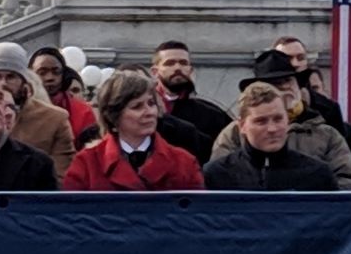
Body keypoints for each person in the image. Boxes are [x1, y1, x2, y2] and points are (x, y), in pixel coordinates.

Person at [208, 51, 351, 189]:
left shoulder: (326, 139)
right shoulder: (232, 136)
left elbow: (344, 185)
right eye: (275, 83)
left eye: (288, 80)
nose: (285, 87)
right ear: (243, 126)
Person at [63, 71, 204, 192]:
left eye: (151, 103)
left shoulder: (183, 162)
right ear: (113, 115)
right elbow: (71, 217)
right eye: (137, 106)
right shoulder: (87, 163)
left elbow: (198, 216)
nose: (149, 112)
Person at [202, 81, 339, 191]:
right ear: (242, 126)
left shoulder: (317, 175)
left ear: (288, 120)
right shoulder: (217, 175)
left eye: (278, 119)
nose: (272, 129)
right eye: (261, 121)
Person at [0, 42, 76, 181]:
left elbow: (60, 179)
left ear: (24, 81)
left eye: (11, 77)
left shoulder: (55, 120)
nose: (2, 83)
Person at [272, 34, 351, 166]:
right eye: (288, 58)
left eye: (300, 58)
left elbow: (344, 161)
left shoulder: (329, 109)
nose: (295, 63)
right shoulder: (259, 104)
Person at [152, 40, 232, 153]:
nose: (177, 68)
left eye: (183, 63)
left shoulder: (212, 114)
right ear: (155, 72)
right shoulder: (143, 110)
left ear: (190, 70)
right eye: (170, 63)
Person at [29, 47, 99, 148]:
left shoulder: (83, 111)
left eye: (56, 72)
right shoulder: (18, 109)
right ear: (30, 75)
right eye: (42, 72)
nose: (50, 77)